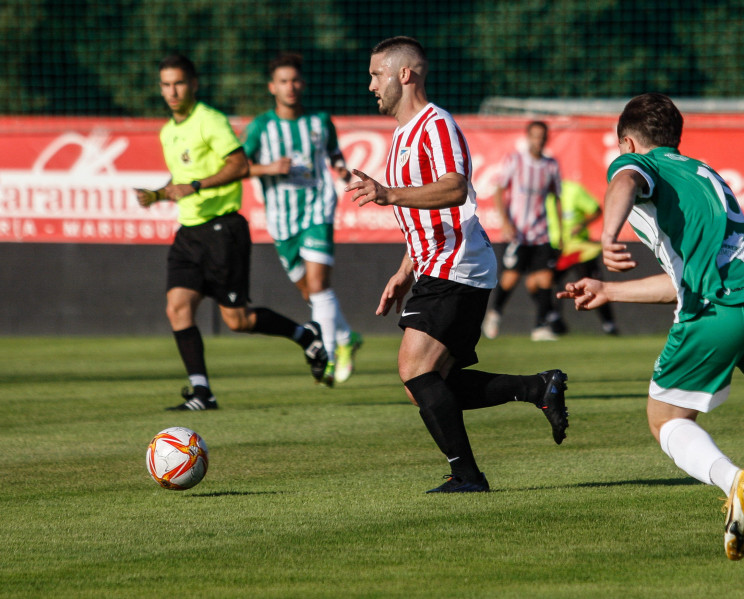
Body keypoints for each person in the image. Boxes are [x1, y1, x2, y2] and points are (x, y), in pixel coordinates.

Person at [557, 93, 744, 571]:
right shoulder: (706, 175)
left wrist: (607, 235)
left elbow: (624, 180)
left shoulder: (638, 164)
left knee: (665, 418)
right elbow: (682, 278)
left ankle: (732, 481)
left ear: (629, 141)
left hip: (719, 306)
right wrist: (610, 290)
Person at [346, 36, 569, 493]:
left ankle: (468, 475)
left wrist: (388, 194)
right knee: (426, 384)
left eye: (376, 74)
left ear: (405, 74)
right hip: (434, 264)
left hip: (457, 264)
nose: (370, 84)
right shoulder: (402, 136)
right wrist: (404, 270)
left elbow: (454, 189)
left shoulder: (435, 124)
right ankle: (536, 387)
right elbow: (424, 212)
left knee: (415, 371)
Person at [135, 53, 329, 410]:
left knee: (237, 320)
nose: (172, 91)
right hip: (188, 233)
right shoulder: (168, 131)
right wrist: (161, 194)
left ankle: (305, 335)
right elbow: (181, 181)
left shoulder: (210, 120)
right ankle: (202, 392)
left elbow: (239, 165)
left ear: (193, 84)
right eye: (166, 84)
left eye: (179, 82)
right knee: (177, 307)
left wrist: (195, 185)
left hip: (223, 230)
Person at [243, 52, 362, 387]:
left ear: (302, 83)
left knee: (319, 285)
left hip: (317, 209)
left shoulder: (320, 121)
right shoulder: (262, 127)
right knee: (309, 292)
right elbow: (239, 166)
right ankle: (346, 337)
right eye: (283, 81)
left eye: (295, 80)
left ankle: (325, 355)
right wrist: (269, 168)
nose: (290, 87)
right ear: (272, 87)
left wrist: (341, 170)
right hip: (281, 220)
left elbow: (334, 151)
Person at [481, 121, 562, 342]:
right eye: (535, 136)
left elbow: (557, 199)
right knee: (511, 278)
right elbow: (499, 191)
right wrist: (505, 221)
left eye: (543, 136)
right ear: (528, 137)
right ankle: (495, 313)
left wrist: (561, 232)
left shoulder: (551, 165)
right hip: (518, 233)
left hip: (541, 233)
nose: (539, 140)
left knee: (545, 278)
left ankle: (540, 327)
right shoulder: (515, 161)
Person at [545, 179, 618, 336]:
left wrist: (581, 224)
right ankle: (554, 322)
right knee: (548, 283)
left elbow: (596, 210)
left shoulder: (573, 190)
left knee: (592, 286)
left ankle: (609, 324)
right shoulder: (540, 196)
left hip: (579, 249)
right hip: (555, 249)